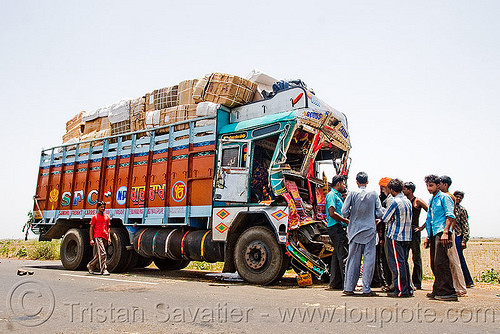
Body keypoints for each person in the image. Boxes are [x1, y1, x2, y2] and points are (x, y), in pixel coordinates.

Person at [341, 172, 384, 296]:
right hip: (369, 231)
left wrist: (351, 215)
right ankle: (366, 288)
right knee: (369, 260)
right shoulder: (374, 194)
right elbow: (379, 212)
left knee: (353, 259)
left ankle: (349, 287)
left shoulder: (352, 194)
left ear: (356, 182)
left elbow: (344, 211)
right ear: (367, 181)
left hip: (354, 231)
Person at [423, 175, 457, 301]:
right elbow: (430, 219)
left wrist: (446, 232)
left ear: (438, 185)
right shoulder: (432, 199)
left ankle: (448, 292)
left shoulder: (444, 197)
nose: (428, 188)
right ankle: (438, 289)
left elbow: (450, 215)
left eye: (431, 185)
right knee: (434, 262)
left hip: (442, 232)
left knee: (441, 262)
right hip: (433, 232)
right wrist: (428, 236)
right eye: (427, 185)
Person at [381, 179, 413, 297]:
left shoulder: (394, 201)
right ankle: (408, 288)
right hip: (407, 236)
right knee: (404, 263)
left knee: (398, 264)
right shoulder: (407, 201)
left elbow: (385, 218)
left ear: (392, 190)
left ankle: (401, 290)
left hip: (396, 235)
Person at [438, 176, 467, 296]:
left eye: (439, 183)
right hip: (445, 231)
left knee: (454, 260)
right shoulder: (441, 197)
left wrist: (449, 233)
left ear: (445, 184)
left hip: (449, 232)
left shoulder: (449, 197)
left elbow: (452, 216)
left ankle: (460, 287)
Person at [325, 175, 350, 290]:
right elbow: (331, 212)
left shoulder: (337, 195)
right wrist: (345, 221)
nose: (344, 185)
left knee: (336, 255)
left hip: (336, 227)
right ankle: (347, 284)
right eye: (343, 183)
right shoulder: (331, 195)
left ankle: (335, 283)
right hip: (336, 227)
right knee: (343, 255)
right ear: (338, 183)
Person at [402, 181, 428, 290]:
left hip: (414, 230)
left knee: (416, 257)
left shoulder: (417, 201)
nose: (403, 191)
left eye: (405, 189)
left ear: (410, 190)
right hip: (405, 231)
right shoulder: (403, 201)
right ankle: (407, 281)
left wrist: (422, 227)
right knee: (404, 256)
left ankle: (417, 282)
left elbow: (431, 213)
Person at [453, 190, 474, 288]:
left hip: (458, 235)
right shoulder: (449, 207)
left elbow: (465, 225)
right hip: (451, 235)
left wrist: (464, 240)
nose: (458, 199)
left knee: (459, 258)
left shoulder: (462, 210)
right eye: (457, 196)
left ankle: (468, 281)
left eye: (460, 197)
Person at [87, 201, 111, 275]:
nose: (103, 208)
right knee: (103, 253)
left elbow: (108, 228)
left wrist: (109, 238)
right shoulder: (95, 217)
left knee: (99, 254)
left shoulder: (107, 217)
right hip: (98, 236)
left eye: (104, 207)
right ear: (98, 207)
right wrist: (91, 239)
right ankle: (104, 269)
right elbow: (91, 228)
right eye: (101, 207)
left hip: (105, 236)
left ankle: (90, 266)